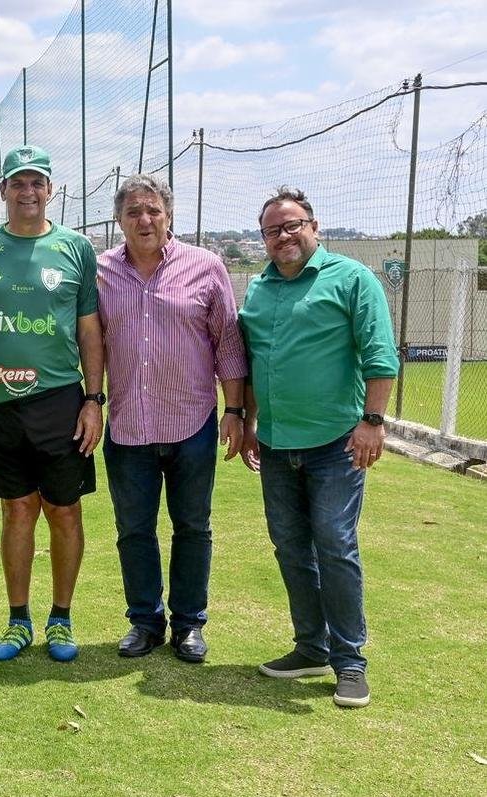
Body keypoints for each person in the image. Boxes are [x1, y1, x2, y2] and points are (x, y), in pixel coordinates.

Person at [239, 186, 398, 708]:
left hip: (336, 442)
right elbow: (256, 362)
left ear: (314, 226)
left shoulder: (352, 279)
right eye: (272, 230)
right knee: (290, 548)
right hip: (277, 445)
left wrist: (372, 421)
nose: (283, 236)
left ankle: (350, 661)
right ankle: (311, 646)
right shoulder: (259, 290)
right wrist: (250, 422)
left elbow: (379, 353)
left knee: (334, 544)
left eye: (292, 225)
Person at [0, 145, 104, 662]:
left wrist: (93, 400)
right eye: (18, 182)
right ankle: (19, 620)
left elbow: (90, 332)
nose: (28, 191)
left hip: (60, 402)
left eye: (37, 182)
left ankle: (61, 618)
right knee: (17, 512)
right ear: (3, 191)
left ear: (50, 189)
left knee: (64, 512)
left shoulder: (76, 248)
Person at [97, 174, 247, 663]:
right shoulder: (100, 273)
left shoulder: (206, 266)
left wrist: (235, 410)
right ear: (119, 220)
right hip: (127, 426)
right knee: (133, 530)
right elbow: (88, 343)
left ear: (169, 215)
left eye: (153, 210)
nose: (144, 220)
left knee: (192, 527)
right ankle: (144, 621)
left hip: (192, 425)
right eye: (134, 212)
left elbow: (227, 341)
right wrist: (90, 400)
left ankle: (188, 625)